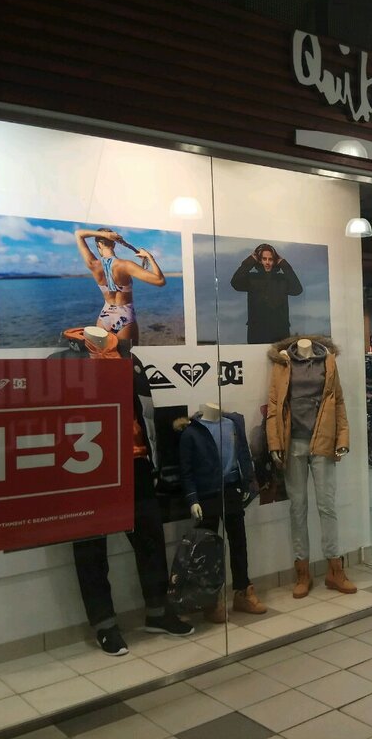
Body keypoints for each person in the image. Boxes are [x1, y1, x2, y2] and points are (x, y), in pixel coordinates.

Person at [62, 326, 193, 656]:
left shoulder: (130, 359)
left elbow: (145, 415)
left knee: (150, 539)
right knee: (91, 549)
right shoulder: (63, 361)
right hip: (88, 468)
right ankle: (104, 624)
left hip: (135, 462)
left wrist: (153, 461)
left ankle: (158, 612)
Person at [266, 335, 355, 598]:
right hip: (292, 441)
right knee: (298, 507)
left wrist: (342, 438)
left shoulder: (328, 361)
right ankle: (302, 572)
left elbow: (338, 401)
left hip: (323, 440)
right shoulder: (282, 363)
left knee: (327, 505)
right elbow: (274, 405)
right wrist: (274, 442)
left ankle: (335, 569)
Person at [179, 402, 266, 623]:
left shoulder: (232, 425)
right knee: (208, 549)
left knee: (239, 542)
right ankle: (210, 600)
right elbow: (186, 471)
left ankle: (242, 590)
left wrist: (247, 483)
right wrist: (192, 499)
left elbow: (243, 454)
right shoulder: (191, 433)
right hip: (207, 494)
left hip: (231, 489)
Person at [75, 227, 166, 345]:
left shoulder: (94, 265)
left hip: (104, 317)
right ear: (114, 244)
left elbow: (78, 233)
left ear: (98, 245)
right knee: (127, 356)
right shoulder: (126, 265)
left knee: (103, 356)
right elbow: (160, 281)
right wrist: (149, 257)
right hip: (124, 316)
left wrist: (106, 235)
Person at [230, 243, 303, 344]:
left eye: (270, 259)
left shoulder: (282, 279)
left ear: (275, 261)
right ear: (259, 260)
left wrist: (284, 264)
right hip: (257, 331)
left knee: (280, 354)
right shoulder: (252, 278)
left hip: (280, 331)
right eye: (264, 259)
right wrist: (250, 260)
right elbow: (235, 282)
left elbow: (297, 289)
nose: (267, 262)